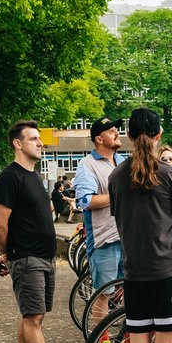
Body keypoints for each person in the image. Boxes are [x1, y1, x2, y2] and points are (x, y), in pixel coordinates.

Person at [0, 121, 73, 343]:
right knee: (34, 315)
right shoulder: (9, 177)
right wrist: (6, 254)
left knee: (32, 314)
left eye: (39, 139)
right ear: (18, 143)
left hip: (44, 257)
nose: (40, 143)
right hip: (26, 258)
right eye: (34, 139)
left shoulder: (34, 176)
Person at [108, 107, 172, 343]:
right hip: (168, 269)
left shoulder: (116, 176)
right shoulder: (170, 174)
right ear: (159, 134)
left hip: (134, 270)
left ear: (128, 135)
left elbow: (122, 217)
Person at [73, 117, 126, 319]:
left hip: (128, 236)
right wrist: (121, 196)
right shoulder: (87, 164)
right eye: (111, 130)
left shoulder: (123, 162)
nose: (117, 133)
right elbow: (86, 200)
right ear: (99, 139)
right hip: (104, 239)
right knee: (104, 293)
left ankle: (128, 339)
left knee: (129, 290)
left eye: (117, 130)